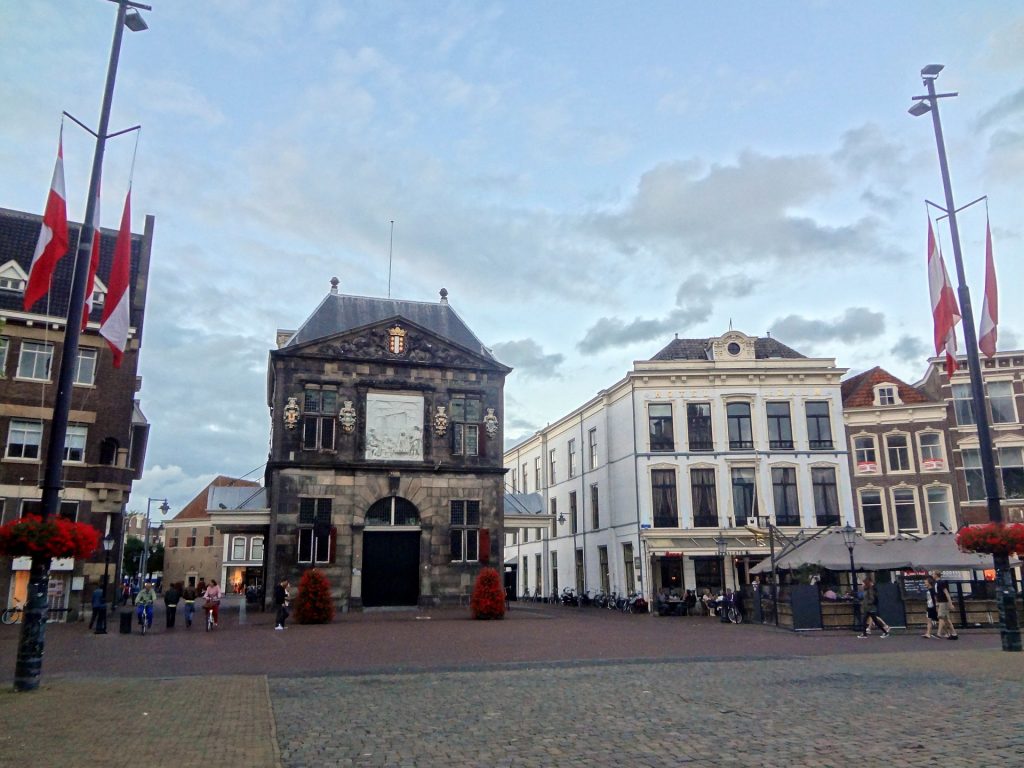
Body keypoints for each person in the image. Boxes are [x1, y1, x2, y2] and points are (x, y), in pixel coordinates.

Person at [933, 571, 959, 640]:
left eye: (933, 574)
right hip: (941, 602)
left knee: (941, 617)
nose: (932, 575)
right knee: (946, 619)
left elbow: (946, 593)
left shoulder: (941, 583)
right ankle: (954, 633)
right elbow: (937, 594)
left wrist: (950, 603)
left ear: (936, 575)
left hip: (944, 602)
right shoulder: (936, 583)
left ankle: (939, 633)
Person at [922, 575, 939, 639]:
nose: (925, 583)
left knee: (940, 620)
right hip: (929, 607)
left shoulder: (932, 590)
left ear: (929, 583)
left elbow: (935, 598)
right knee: (929, 620)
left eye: (926, 582)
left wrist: (936, 606)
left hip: (933, 607)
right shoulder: (928, 590)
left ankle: (947, 632)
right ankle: (928, 633)